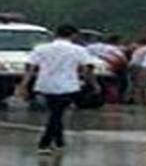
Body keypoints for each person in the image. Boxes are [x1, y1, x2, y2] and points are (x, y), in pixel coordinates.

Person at [16, 24, 91, 155]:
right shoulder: (78, 50)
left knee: (56, 112)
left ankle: (59, 141)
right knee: (57, 114)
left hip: (45, 84)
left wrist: (23, 85)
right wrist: (91, 83)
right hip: (68, 85)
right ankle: (44, 143)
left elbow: (30, 68)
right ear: (73, 35)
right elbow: (86, 69)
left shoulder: (41, 48)